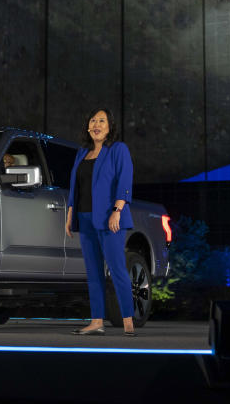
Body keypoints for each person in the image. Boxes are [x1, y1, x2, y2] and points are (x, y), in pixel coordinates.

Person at [65, 107, 136, 336]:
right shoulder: (81, 153)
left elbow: (125, 178)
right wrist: (70, 213)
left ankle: (128, 322)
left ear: (109, 127)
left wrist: (118, 209)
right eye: (93, 120)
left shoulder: (117, 149)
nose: (97, 124)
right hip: (85, 219)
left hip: (109, 219)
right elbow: (76, 186)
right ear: (88, 126)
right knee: (93, 272)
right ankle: (97, 321)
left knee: (117, 271)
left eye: (102, 121)